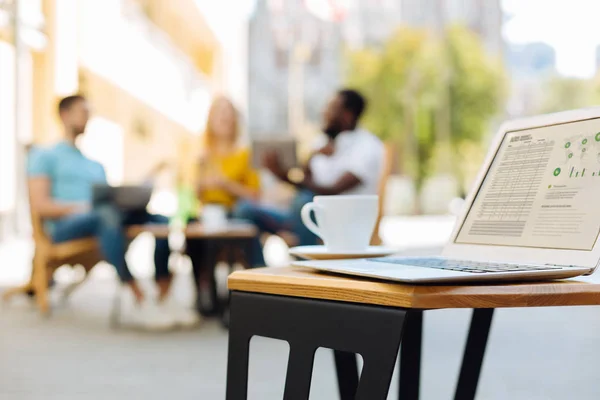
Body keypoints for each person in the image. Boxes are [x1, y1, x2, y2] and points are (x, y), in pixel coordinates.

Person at [27, 94, 198, 330]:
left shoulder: (95, 164)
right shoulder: (44, 156)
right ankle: (136, 297)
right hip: (65, 227)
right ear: (64, 115)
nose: (87, 118)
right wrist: (81, 208)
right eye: (81, 112)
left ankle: (163, 295)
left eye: (89, 113)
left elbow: (109, 200)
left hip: (104, 221)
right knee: (105, 215)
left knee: (160, 220)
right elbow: (40, 206)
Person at [234, 88, 384, 267]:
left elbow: (331, 191)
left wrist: (286, 175)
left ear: (347, 116)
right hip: (303, 217)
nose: (323, 112)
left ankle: (306, 269)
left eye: (330, 108)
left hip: (339, 224)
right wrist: (304, 160)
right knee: (244, 210)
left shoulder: (367, 147)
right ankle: (257, 273)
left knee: (304, 201)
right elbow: (305, 183)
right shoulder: (321, 143)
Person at [183, 96, 260, 314]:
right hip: (208, 212)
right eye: (220, 113)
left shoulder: (245, 154)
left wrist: (226, 184)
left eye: (228, 113)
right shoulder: (203, 154)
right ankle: (204, 292)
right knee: (193, 230)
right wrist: (200, 173)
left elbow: (255, 194)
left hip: (235, 213)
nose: (224, 118)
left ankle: (231, 296)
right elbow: (197, 195)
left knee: (224, 238)